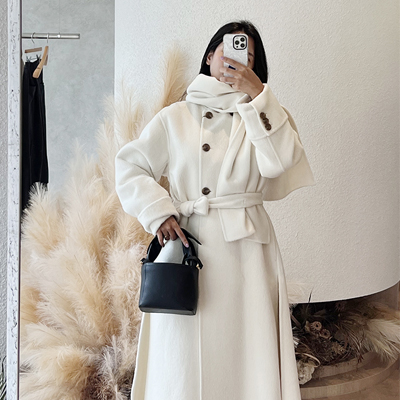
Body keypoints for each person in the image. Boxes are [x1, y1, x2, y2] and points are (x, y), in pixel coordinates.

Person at [115, 20, 315, 400]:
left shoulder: (266, 116)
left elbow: (281, 163)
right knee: (181, 358)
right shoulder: (176, 116)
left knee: (245, 353)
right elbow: (130, 166)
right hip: (187, 246)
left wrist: (258, 96)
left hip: (247, 251)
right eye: (229, 49)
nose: (237, 60)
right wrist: (159, 212)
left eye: (248, 57)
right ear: (210, 56)